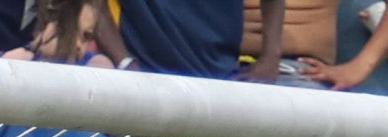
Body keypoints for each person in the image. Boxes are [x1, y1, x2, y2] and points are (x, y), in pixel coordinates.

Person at [99, 0, 285, 79]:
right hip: (146, 78)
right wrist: (124, 61)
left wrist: (271, 57)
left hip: (222, 76)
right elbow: (91, 4)